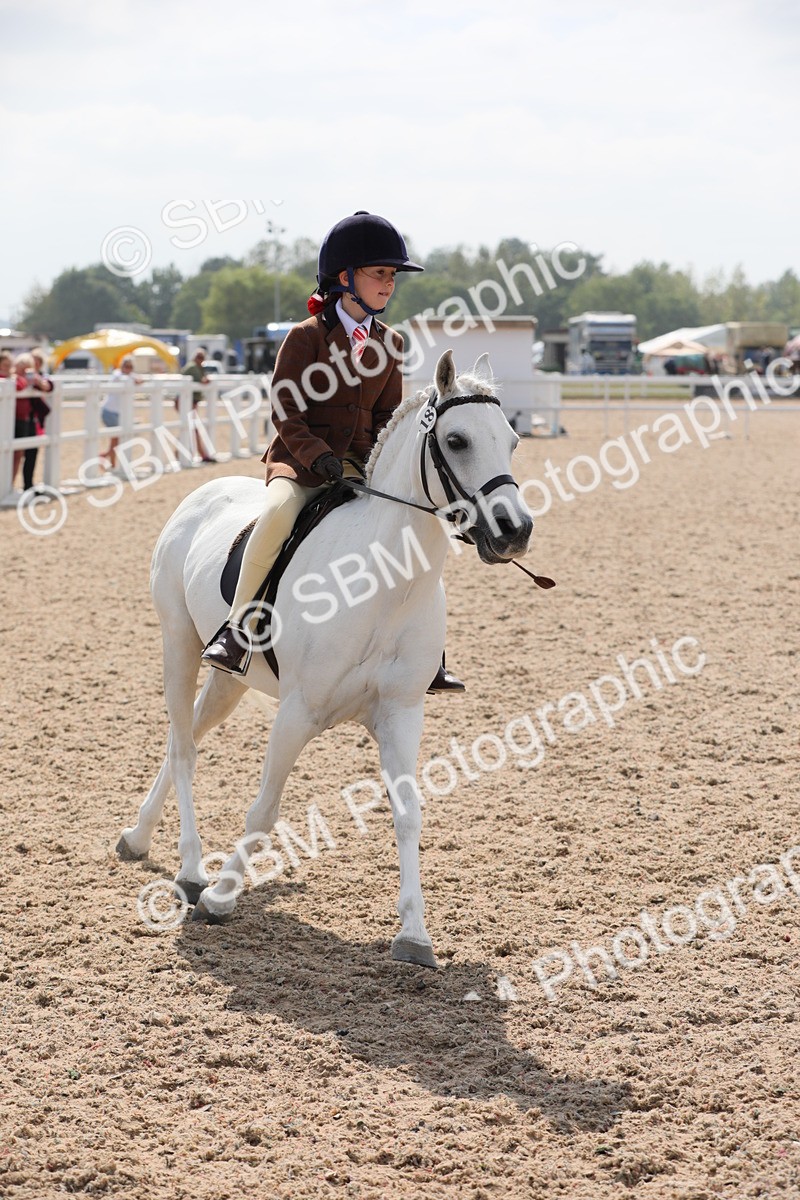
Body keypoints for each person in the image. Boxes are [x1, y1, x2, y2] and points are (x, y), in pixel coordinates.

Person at [201, 210, 465, 693]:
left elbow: (388, 418)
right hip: (301, 463)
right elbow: (286, 410)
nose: (389, 284)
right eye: (380, 273)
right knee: (278, 517)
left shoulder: (391, 342)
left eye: (392, 276)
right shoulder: (305, 338)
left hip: (362, 467)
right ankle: (237, 630)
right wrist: (318, 457)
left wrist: (384, 465)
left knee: (416, 529)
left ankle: (432, 653)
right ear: (345, 279)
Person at [22, 349, 54, 492]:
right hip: (21, 418)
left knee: (31, 453)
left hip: (33, 420)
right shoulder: (19, 376)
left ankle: (28, 485)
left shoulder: (41, 377)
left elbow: (49, 386)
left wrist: (37, 381)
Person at [100, 356, 139, 469]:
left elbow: (137, 379)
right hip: (110, 411)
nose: (128, 369)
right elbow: (131, 379)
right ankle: (108, 460)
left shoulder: (127, 376)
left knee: (116, 439)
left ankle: (108, 459)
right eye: (126, 366)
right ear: (122, 366)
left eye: (130, 367)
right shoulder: (117, 375)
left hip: (116, 412)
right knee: (115, 438)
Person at [182, 348, 216, 462]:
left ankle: (188, 453)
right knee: (192, 428)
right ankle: (201, 454)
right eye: (199, 357)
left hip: (189, 401)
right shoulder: (193, 367)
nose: (200, 360)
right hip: (188, 401)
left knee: (190, 427)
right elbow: (201, 381)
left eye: (202, 358)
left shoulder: (194, 367)